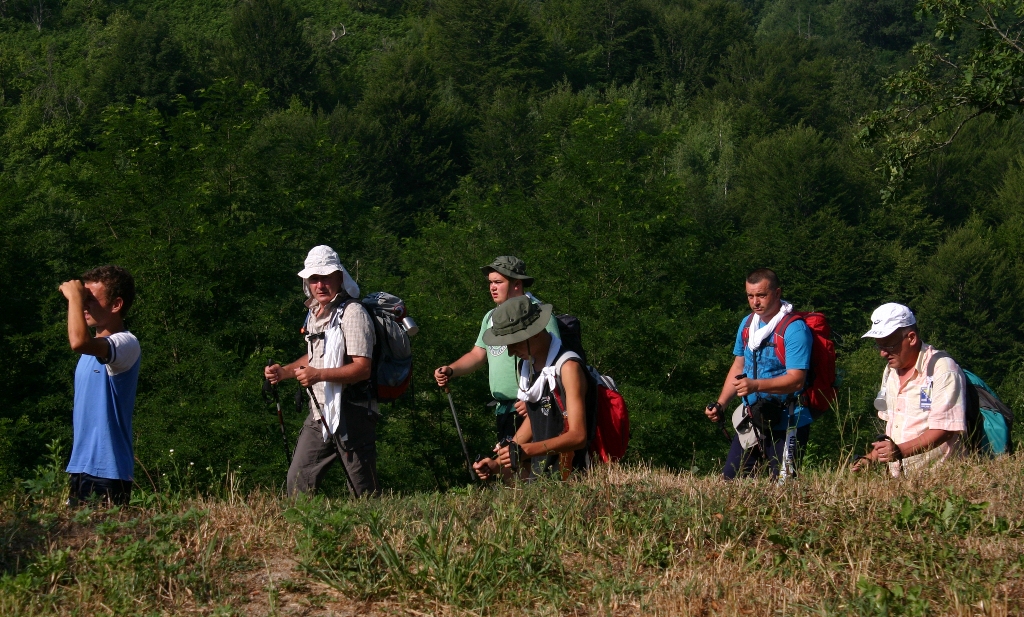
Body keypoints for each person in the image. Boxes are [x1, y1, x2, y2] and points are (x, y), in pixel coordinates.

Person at [265, 246, 379, 497]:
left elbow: (363, 369)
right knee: (298, 480)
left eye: (325, 277)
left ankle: (371, 533)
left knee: (362, 490)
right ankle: (301, 532)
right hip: (320, 411)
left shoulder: (353, 313)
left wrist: (318, 375)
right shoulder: (316, 312)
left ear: (339, 277)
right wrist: (284, 372)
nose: (320, 284)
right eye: (314, 279)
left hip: (353, 412)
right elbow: (317, 356)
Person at [433, 256, 559, 446]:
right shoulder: (492, 317)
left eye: (498, 282)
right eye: (490, 282)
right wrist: (451, 370)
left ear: (517, 284)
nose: (492, 287)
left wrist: (536, 398)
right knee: (508, 469)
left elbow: (555, 361)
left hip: (531, 406)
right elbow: (477, 355)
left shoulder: (538, 315)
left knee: (531, 469)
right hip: (504, 410)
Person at [704, 268, 813, 480]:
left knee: (783, 487)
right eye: (750, 296)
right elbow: (738, 366)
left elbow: (797, 379)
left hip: (787, 419)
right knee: (731, 482)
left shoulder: (794, 329)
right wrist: (721, 404)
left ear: (777, 293)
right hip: (753, 416)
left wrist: (756, 385)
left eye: (762, 295)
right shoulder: (747, 325)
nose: (755, 302)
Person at [473, 296, 588, 480]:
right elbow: (535, 419)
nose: (510, 352)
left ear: (534, 333)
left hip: (573, 479)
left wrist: (527, 450)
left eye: (514, 343)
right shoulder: (527, 368)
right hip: (542, 479)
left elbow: (578, 436)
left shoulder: (568, 368)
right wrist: (499, 462)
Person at [852, 303, 966, 476]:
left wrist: (899, 452)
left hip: (940, 480)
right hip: (903, 481)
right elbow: (896, 429)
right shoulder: (891, 371)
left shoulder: (942, 369)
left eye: (889, 346)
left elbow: (945, 429)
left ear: (911, 338)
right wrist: (871, 458)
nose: (882, 353)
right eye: (879, 346)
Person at [60, 266, 140, 506]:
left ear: (116, 305)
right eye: (83, 299)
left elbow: (78, 341)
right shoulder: (92, 349)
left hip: (108, 471)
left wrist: (74, 297)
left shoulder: (126, 343)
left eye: (90, 300)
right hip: (82, 466)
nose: (84, 305)